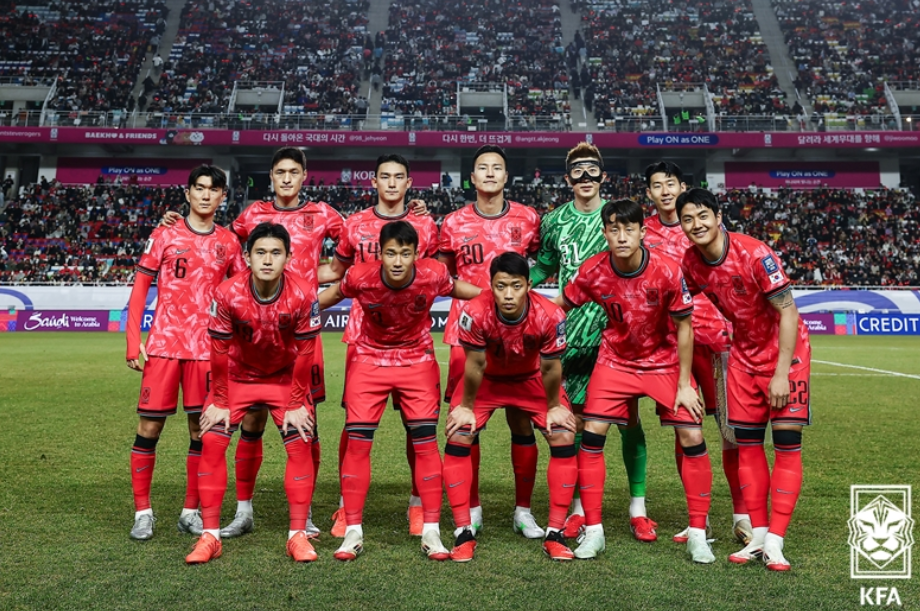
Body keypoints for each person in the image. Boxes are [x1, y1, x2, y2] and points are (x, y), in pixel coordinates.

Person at [163, 147, 344, 539]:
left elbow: (354, 250)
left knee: (307, 422)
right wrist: (179, 223)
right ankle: (243, 511)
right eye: (280, 172)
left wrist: (319, 293)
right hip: (254, 332)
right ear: (271, 176)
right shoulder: (251, 216)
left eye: (294, 172)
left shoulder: (324, 214)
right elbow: (226, 245)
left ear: (305, 176)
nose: (287, 178)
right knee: (251, 421)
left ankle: (305, 513)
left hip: (299, 331)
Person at [557, 199, 715, 564]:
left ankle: (698, 534)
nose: (622, 236)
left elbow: (685, 326)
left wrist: (685, 384)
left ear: (642, 232)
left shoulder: (666, 270)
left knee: (692, 435)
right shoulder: (593, 270)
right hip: (615, 361)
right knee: (592, 433)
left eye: (629, 229)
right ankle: (594, 531)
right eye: (614, 229)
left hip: (664, 361)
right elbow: (559, 306)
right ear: (605, 233)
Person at [318, 221, 481, 561]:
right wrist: (289, 311)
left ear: (416, 254)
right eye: (391, 253)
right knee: (358, 443)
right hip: (368, 359)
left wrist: (496, 296)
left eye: (405, 254)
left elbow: (460, 290)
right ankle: (352, 529)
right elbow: (330, 296)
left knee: (425, 444)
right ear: (380, 253)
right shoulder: (359, 276)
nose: (397, 261)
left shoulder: (433, 273)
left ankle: (432, 530)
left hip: (416, 360)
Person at [678, 188, 811, 571]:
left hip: (786, 357)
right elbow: (683, 307)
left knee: (786, 445)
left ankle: (776, 542)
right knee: (747, 446)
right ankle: (758, 535)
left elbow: (788, 312)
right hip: (741, 357)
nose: (696, 224)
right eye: (688, 219)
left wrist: (782, 373)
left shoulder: (755, 254)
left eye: (703, 215)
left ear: (719, 217)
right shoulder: (691, 262)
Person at [530, 142, 656, 542]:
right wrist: (510, 287)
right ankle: (580, 509)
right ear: (567, 178)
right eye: (577, 171)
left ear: (603, 176)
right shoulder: (553, 222)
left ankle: (638, 509)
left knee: (628, 421)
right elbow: (545, 267)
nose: (585, 178)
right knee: (579, 424)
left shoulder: (619, 219)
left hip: (616, 336)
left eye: (592, 170)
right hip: (569, 336)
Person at [317, 154, 440, 538]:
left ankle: (418, 504)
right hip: (364, 337)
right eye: (384, 176)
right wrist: (285, 278)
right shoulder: (354, 225)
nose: (391, 183)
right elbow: (336, 274)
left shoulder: (425, 225)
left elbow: (434, 275)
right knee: (355, 425)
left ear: (408, 183)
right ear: (373, 182)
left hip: (413, 339)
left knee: (417, 426)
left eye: (398, 177)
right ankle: (345, 506)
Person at [186, 222, 321, 564]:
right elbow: (218, 350)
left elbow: (306, 351)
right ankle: (210, 536)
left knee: (301, 439)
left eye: (276, 253)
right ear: (247, 257)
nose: (267, 260)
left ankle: (297, 535)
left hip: (284, 378)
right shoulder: (227, 292)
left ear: (288, 257)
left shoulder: (304, 293)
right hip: (237, 377)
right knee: (211, 440)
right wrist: (219, 400)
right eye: (260, 252)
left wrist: (296, 403)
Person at [125, 165, 245, 540]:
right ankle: (143, 513)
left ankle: (190, 512)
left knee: (201, 431)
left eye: (213, 189)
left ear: (222, 196)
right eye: (200, 188)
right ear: (188, 193)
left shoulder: (229, 242)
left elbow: (240, 294)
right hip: (163, 346)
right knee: (149, 427)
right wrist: (132, 340)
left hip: (207, 351)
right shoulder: (164, 234)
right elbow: (140, 287)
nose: (206, 195)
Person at [643, 161, 752, 545]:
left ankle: (742, 516)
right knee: (685, 430)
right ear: (649, 193)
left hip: (719, 340)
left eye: (671, 183)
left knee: (731, 432)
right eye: (657, 186)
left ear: (682, 186)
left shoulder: (704, 226)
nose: (665, 191)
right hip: (675, 346)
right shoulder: (643, 232)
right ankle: (698, 520)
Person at [443, 252, 578, 562]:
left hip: (530, 379)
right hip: (487, 379)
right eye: (500, 286)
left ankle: (554, 532)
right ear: (490, 285)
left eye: (516, 286)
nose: (507, 294)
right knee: (460, 431)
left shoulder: (550, 315)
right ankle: (464, 529)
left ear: (529, 285)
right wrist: (465, 407)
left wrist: (554, 406)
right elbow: (475, 364)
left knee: (562, 433)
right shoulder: (474, 311)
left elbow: (550, 367)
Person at [438, 145, 543, 539]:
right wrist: (483, 299)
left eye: (497, 167)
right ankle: (472, 508)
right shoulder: (453, 222)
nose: (489, 173)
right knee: (466, 423)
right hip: (466, 333)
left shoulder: (528, 219)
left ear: (506, 176)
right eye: (482, 167)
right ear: (472, 177)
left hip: (518, 333)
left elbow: (540, 265)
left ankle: (523, 512)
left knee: (521, 418)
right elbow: (445, 277)